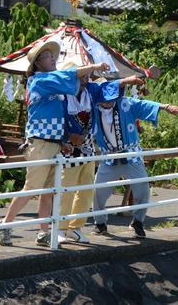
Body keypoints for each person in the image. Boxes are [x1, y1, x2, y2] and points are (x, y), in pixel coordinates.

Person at [0, 41, 109, 247]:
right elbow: (68, 77)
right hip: (40, 142)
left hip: (53, 142)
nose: (53, 58)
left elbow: (61, 106)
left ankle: (43, 232)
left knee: (49, 190)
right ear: (37, 63)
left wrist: (63, 140)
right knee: (31, 187)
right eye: (48, 56)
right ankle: (5, 224)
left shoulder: (50, 83)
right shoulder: (39, 80)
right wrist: (93, 67)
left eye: (52, 56)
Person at [57, 60, 145, 245]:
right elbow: (55, 121)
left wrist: (126, 80)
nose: (84, 78)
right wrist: (67, 136)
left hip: (88, 147)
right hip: (68, 149)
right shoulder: (60, 97)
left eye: (85, 75)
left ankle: (76, 227)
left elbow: (107, 88)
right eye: (81, 75)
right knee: (66, 190)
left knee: (86, 190)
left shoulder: (90, 90)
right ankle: (60, 228)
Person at [91, 81, 178, 238]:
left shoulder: (126, 104)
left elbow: (144, 104)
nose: (108, 101)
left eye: (111, 97)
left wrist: (166, 107)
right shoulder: (94, 109)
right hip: (108, 156)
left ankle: (138, 222)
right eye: (105, 97)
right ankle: (100, 223)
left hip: (131, 154)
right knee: (98, 191)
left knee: (143, 190)